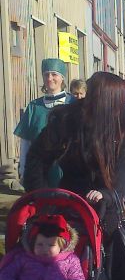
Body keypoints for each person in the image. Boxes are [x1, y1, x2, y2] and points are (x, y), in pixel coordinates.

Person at [23, 72, 125, 280]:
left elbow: (124, 170)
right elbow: (37, 158)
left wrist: (110, 194)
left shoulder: (124, 123)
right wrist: (41, 196)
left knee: (108, 271)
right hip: (69, 203)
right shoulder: (67, 119)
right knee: (64, 267)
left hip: (108, 204)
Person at [14, 57, 74, 185]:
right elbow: (25, 143)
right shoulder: (34, 107)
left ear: (62, 78)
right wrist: (24, 171)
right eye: (46, 75)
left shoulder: (73, 104)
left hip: (69, 172)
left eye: (54, 74)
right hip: (39, 173)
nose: (49, 78)